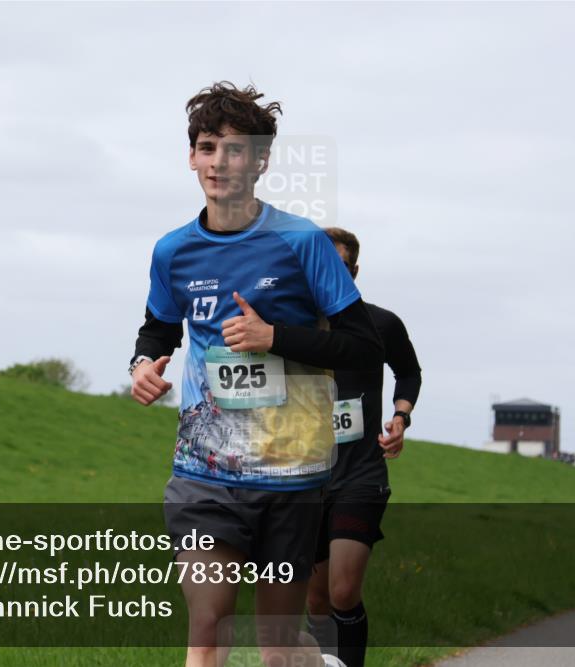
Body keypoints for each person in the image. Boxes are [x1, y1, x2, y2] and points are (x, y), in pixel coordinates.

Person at [129, 81, 383, 667]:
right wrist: (144, 363)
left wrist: (276, 339)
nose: (220, 162)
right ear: (192, 156)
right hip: (204, 470)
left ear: (261, 160)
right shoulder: (172, 251)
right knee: (209, 621)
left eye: (236, 149)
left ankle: (319, 661)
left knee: (275, 647)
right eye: (208, 147)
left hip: (290, 474)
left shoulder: (301, 242)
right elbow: (159, 328)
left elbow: (364, 349)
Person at [305, 227, 422, 667]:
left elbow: (409, 373)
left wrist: (400, 416)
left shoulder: (381, 323)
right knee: (315, 601)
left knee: (342, 592)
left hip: (361, 474)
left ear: (354, 271)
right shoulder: (292, 325)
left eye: (341, 266)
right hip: (307, 478)